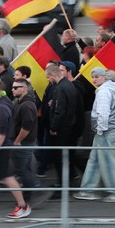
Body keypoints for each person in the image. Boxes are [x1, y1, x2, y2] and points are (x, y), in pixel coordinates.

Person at [73, 69, 115, 203]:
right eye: (92, 77)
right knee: (96, 160)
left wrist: (100, 130)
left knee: (107, 162)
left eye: (96, 77)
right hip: (108, 131)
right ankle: (87, 190)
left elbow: (103, 113)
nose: (94, 79)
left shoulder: (103, 92)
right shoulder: (110, 89)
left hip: (106, 131)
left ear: (104, 77)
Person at [0, 80, 31, 218]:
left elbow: (1, 134)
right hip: (4, 146)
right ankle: (23, 206)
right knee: (6, 177)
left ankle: (23, 206)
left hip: (3, 147)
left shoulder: (2, 108)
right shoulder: (4, 102)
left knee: (7, 177)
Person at [45, 64, 78, 197]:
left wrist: (53, 128)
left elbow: (60, 111)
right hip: (69, 127)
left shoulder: (60, 88)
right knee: (64, 158)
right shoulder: (69, 85)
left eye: (48, 77)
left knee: (59, 158)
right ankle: (63, 184)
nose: (48, 80)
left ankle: (62, 187)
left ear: (53, 75)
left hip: (62, 130)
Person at [10, 79, 38, 205]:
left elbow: (27, 127)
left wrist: (17, 141)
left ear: (25, 89)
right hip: (22, 142)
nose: (13, 89)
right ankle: (29, 192)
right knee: (24, 168)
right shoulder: (19, 102)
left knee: (22, 169)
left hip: (24, 142)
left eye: (16, 87)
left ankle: (28, 196)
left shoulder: (27, 105)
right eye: (12, 87)